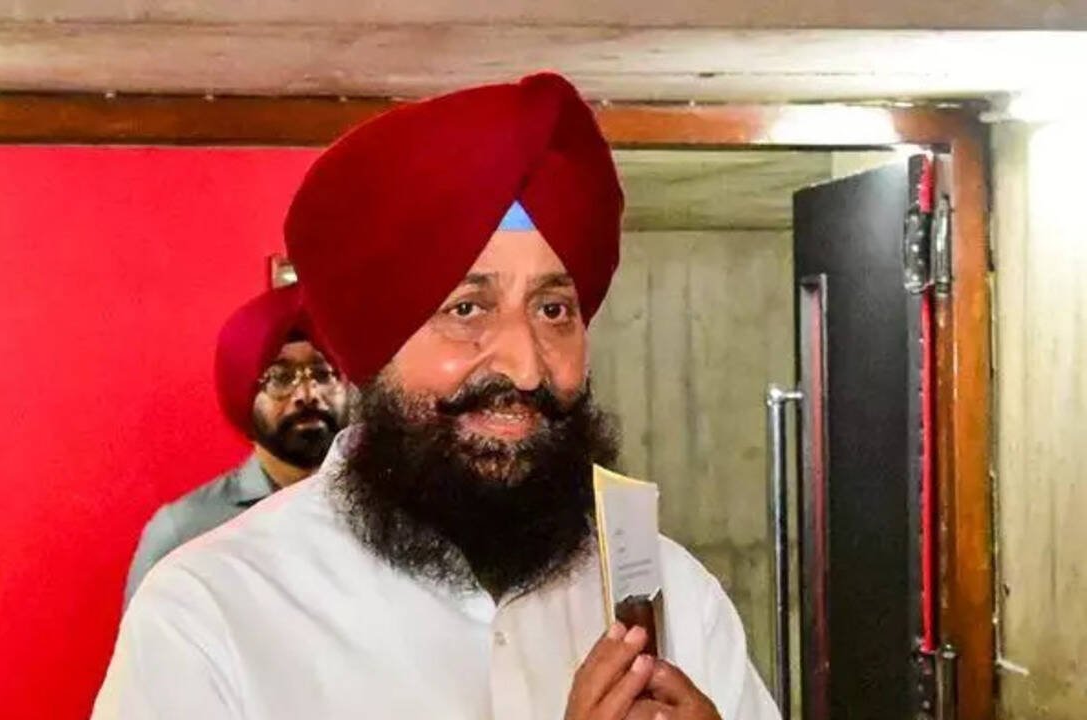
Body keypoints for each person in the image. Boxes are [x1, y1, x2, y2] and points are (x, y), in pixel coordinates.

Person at [95, 73, 778, 720]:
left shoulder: (674, 596)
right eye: (466, 309)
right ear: (375, 345)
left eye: (553, 311)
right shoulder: (212, 612)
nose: (526, 367)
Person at [122, 284, 349, 605]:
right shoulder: (186, 529)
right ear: (242, 395)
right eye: (280, 378)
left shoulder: (381, 510)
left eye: (322, 373)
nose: (307, 394)